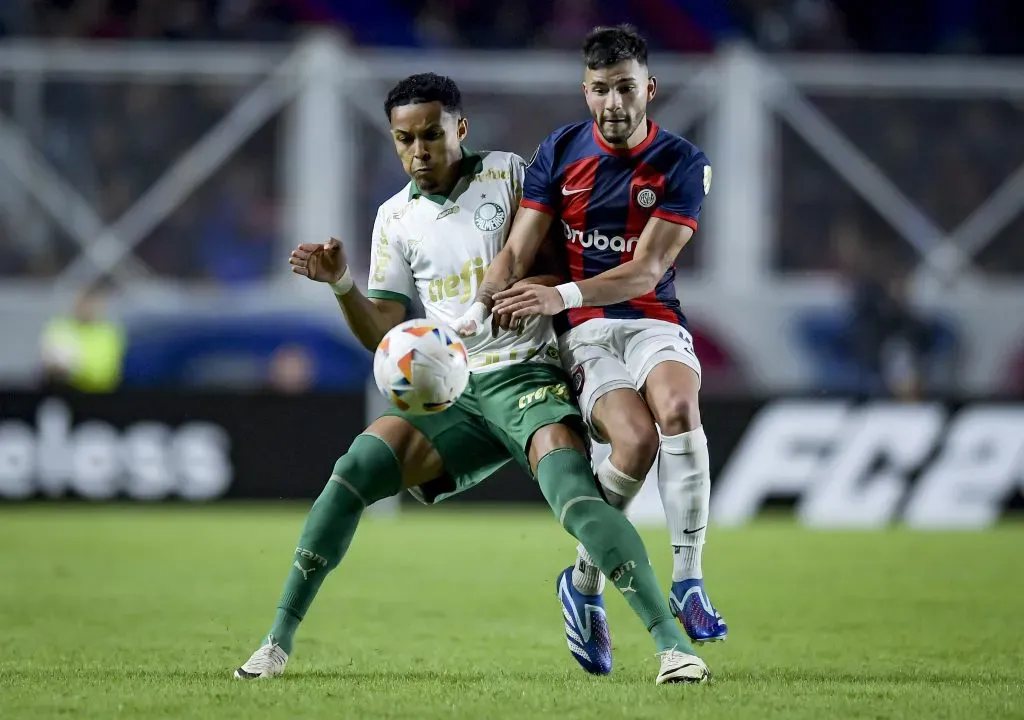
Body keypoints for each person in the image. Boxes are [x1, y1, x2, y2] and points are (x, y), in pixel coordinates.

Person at [234, 72, 710, 685]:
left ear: (459, 129)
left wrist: (521, 294)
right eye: (404, 139)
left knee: (576, 498)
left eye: (430, 135)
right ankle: (276, 641)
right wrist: (342, 285)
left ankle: (672, 647)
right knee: (354, 470)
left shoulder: (510, 174)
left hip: (528, 375)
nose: (418, 151)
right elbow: (384, 328)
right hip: (450, 390)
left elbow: (562, 269)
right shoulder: (394, 218)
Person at [458, 25, 728, 675]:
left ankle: (687, 579)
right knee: (632, 443)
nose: (613, 103)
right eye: (601, 89)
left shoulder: (682, 162)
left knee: (678, 410)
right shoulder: (561, 151)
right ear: (586, 91)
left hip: (649, 315)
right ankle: (583, 581)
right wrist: (478, 306)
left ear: (649, 90)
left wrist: (560, 295)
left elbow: (644, 268)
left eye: (626, 89)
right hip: (586, 333)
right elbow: (519, 250)